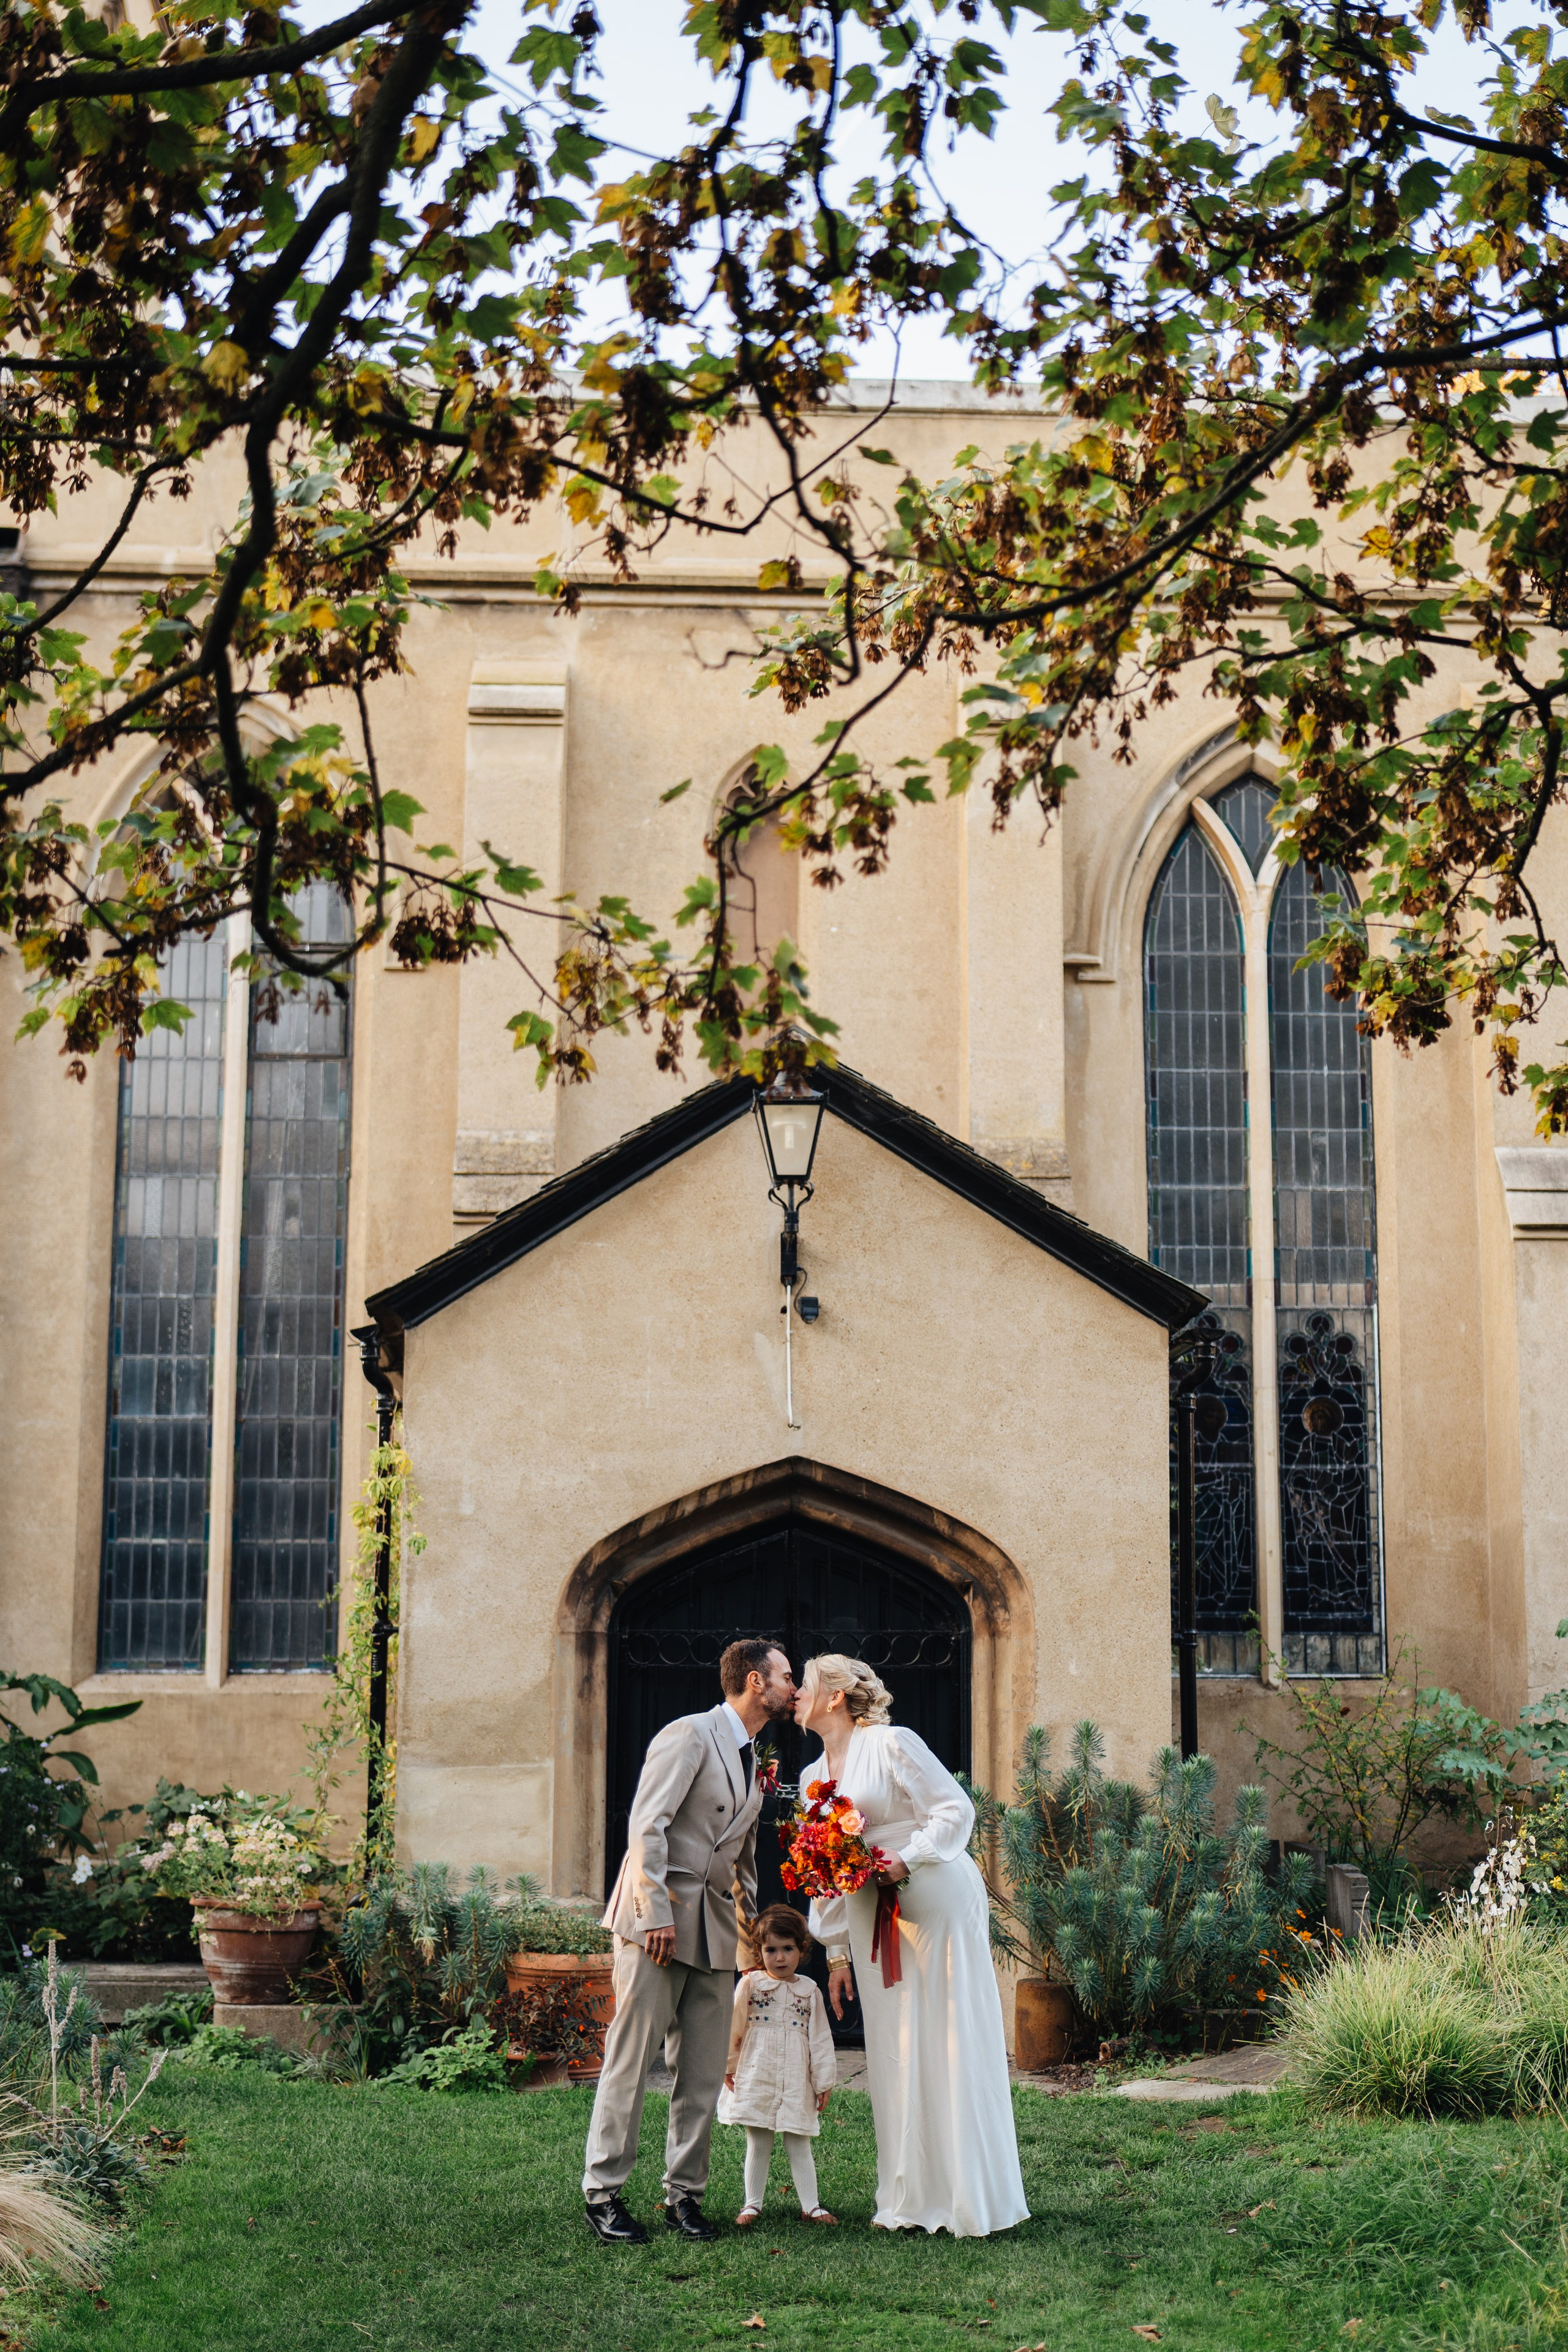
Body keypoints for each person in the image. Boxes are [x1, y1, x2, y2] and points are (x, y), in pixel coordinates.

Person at [796, 1653, 1028, 2238]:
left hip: (936, 1899)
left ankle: (970, 2197)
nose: (795, 1693)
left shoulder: (894, 1743)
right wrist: (837, 1951)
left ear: (834, 1695)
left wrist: (908, 1856)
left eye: (805, 1684)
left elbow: (954, 1810)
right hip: (871, 1911)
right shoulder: (809, 1779)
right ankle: (906, 2199)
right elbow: (823, 1872)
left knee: (948, 2037)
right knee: (895, 2046)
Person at [582, 1637, 797, 2245]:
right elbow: (647, 1824)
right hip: (657, 1924)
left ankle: (684, 2197)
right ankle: (603, 2193)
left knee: (701, 2072)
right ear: (756, 1682)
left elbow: (743, 1856)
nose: (793, 1687)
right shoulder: (690, 1734)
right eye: (786, 1676)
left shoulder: (755, 1757)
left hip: (716, 1931)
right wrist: (652, 1914)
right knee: (631, 2060)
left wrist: (751, 1933)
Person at [718, 1903, 839, 2228]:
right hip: (758, 2070)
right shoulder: (752, 1985)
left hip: (797, 2076)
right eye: (771, 1950)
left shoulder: (809, 1991)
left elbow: (820, 2038)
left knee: (799, 2138)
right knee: (758, 2139)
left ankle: (811, 2206)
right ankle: (752, 2204)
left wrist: (823, 2080)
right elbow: (734, 2026)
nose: (780, 1958)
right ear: (759, 1951)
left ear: (802, 1949)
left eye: (788, 1949)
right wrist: (729, 2066)